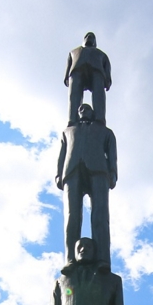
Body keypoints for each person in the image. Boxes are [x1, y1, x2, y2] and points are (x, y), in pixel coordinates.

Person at [56, 103, 117, 269]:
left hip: (98, 170)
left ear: (93, 113)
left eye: (87, 109)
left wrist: (113, 172)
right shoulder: (67, 132)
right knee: (71, 217)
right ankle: (70, 259)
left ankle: (103, 259)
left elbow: (112, 153)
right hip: (72, 170)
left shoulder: (106, 132)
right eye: (81, 109)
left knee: (100, 215)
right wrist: (58, 173)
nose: (84, 111)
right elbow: (62, 154)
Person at [64, 32, 111, 125]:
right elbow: (69, 64)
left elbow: (107, 66)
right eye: (87, 36)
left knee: (99, 95)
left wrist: (108, 79)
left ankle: (99, 119)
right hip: (77, 71)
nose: (89, 37)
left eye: (92, 37)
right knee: (74, 96)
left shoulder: (101, 54)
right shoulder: (74, 52)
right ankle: (72, 119)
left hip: (97, 72)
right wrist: (66, 77)